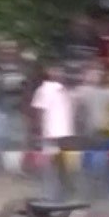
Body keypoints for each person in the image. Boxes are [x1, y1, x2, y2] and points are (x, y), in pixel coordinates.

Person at [30, 64, 77, 201]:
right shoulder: (44, 89)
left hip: (65, 134)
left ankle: (62, 195)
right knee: (50, 167)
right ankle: (49, 196)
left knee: (64, 167)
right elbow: (39, 111)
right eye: (55, 68)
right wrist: (39, 131)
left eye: (59, 69)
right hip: (51, 133)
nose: (58, 71)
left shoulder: (64, 89)